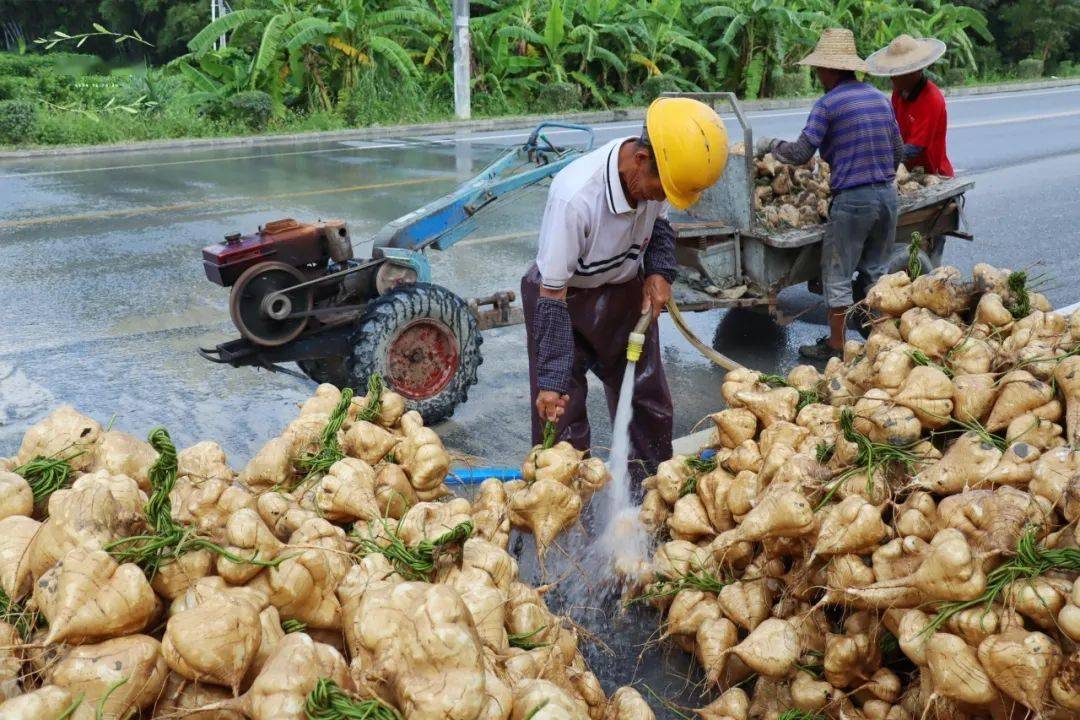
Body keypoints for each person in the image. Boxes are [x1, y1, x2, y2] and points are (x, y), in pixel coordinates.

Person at [522, 97, 728, 489]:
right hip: (563, 301)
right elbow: (551, 295)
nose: (662, 197)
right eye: (660, 187)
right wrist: (551, 375)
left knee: (648, 404)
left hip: (622, 294)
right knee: (561, 413)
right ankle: (568, 521)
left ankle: (648, 501)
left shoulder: (655, 179)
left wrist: (660, 271)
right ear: (640, 159)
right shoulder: (576, 198)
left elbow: (662, 226)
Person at [756, 28, 903, 360]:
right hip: (887, 197)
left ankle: (837, 346)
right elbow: (896, 152)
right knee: (875, 272)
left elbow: (800, 154)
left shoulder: (828, 104)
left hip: (854, 202)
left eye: (819, 69)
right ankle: (880, 343)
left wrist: (771, 146)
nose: (817, 75)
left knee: (837, 274)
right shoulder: (879, 98)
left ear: (830, 69)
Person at [866, 34, 954, 178]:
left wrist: (882, 159)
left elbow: (915, 148)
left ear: (915, 71)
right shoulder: (898, 92)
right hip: (906, 170)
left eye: (899, 72)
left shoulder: (932, 99)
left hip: (932, 173)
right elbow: (893, 130)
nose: (892, 77)